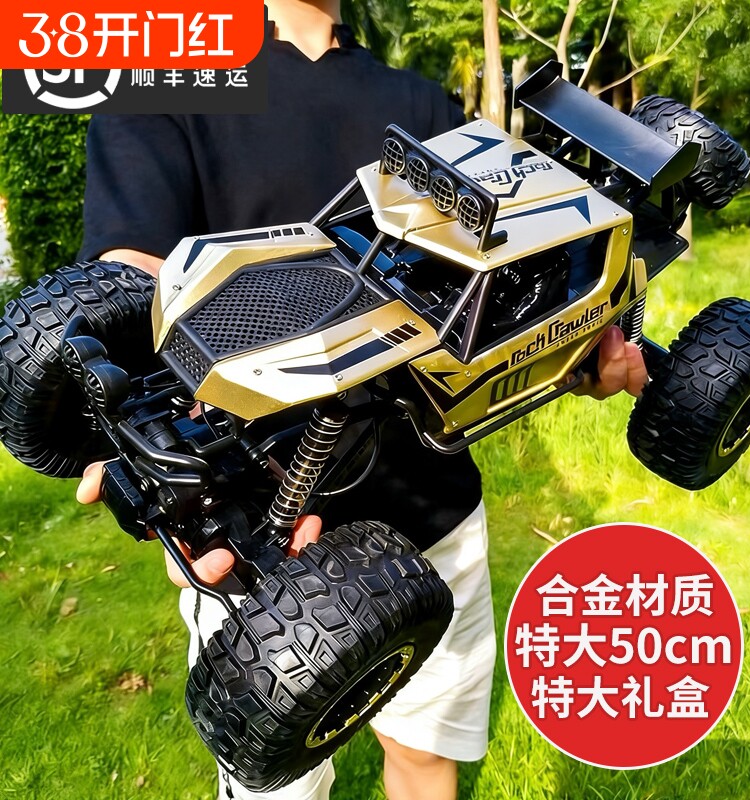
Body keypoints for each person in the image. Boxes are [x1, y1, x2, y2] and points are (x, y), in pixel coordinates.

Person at [76, 3, 648, 799]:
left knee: (423, 757)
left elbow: (512, 276)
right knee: (278, 786)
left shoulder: (422, 103)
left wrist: (585, 355)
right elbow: (128, 274)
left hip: (432, 516)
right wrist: (129, 418)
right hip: (261, 540)